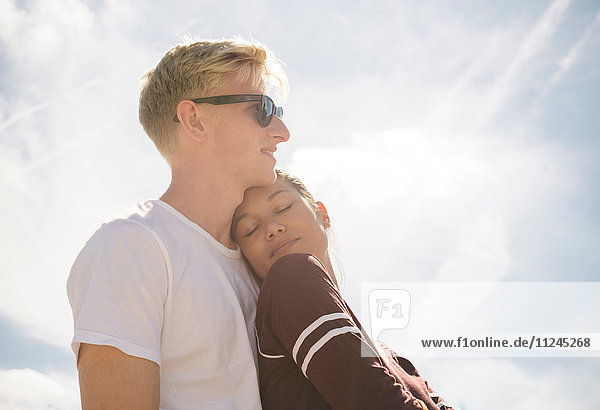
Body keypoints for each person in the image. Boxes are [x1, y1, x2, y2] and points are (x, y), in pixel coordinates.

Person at [67, 38, 290, 408]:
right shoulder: (131, 246)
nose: (282, 130)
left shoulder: (259, 263)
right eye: (262, 109)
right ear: (194, 120)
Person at [231, 169, 454, 410]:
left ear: (322, 214)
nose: (272, 228)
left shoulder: (393, 357)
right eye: (250, 229)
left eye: (283, 207)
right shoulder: (290, 274)